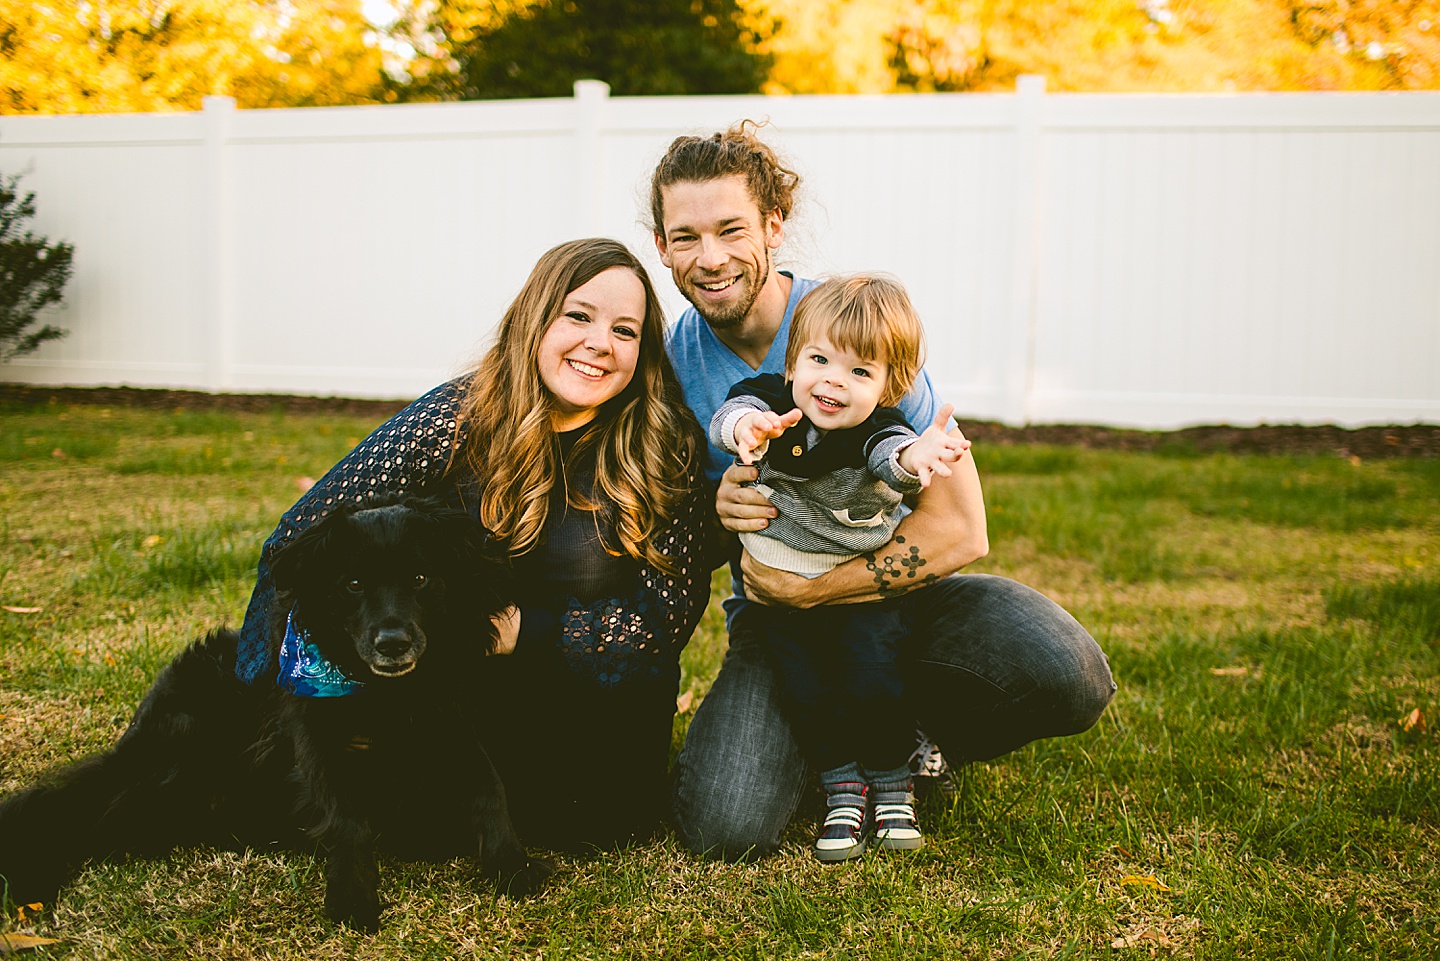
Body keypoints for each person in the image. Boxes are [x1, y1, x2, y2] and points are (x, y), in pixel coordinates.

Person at [652, 122, 1118, 860]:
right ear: (661, 245)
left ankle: (900, 746)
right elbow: (686, 530)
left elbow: (962, 529)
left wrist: (819, 590)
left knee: (1069, 670)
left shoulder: (857, 328)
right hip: (777, 623)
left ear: (774, 225)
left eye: (730, 229)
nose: (709, 258)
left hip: (895, 602)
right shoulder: (674, 360)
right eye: (685, 236)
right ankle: (832, 741)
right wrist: (719, 509)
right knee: (725, 825)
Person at [234, 237, 714, 851]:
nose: (600, 342)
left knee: (588, 826)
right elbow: (300, 538)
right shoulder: (457, 417)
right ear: (534, 320)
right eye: (579, 316)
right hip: (471, 702)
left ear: (642, 353)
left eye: (626, 330)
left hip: (599, 713)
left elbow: (663, 624)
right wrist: (263, 689)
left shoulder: (662, 446)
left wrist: (520, 629)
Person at [708, 274, 969, 860]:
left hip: (861, 591)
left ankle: (893, 780)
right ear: (794, 361)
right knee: (806, 687)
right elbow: (733, 413)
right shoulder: (772, 402)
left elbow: (894, 461)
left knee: (875, 677)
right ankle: (841, 785)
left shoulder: (881, 430)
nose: (833, 380)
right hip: (778, 590)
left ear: (886, 387)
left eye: (859, 372)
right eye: (819, 358)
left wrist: (918, 457)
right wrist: (746, 428)